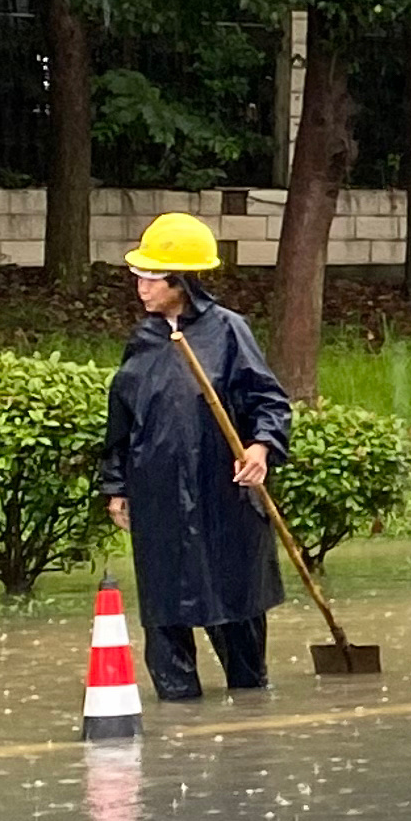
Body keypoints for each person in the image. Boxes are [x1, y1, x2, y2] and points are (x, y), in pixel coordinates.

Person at [101, 213, 293, 700]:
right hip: (159, 498)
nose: (140, 286)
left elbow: (269, 401)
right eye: (139, 275)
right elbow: (122, 422)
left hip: (223, 497)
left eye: (151, 276)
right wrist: (117, 486)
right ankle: (178, 710)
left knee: (235, 609)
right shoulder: (142, 340)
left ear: (181, 281)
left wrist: (260, 447)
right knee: (165, 610)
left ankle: (250, 723)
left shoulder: (229, 332)